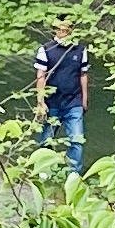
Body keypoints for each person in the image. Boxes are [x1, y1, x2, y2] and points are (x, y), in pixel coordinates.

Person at [31, 21, 89, 176]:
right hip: (52, 102)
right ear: (55, 31)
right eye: (59, 29)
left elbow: (83, 75)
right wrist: (40, 102)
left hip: (74, 101)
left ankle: (73, 174)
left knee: (76, 140)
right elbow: (40, 76)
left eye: (65, 30)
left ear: (71, 31)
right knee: (47, 139)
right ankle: (43, 171)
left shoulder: (80, 50)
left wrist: (84, 99)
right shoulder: (46, 49)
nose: (62, 32)